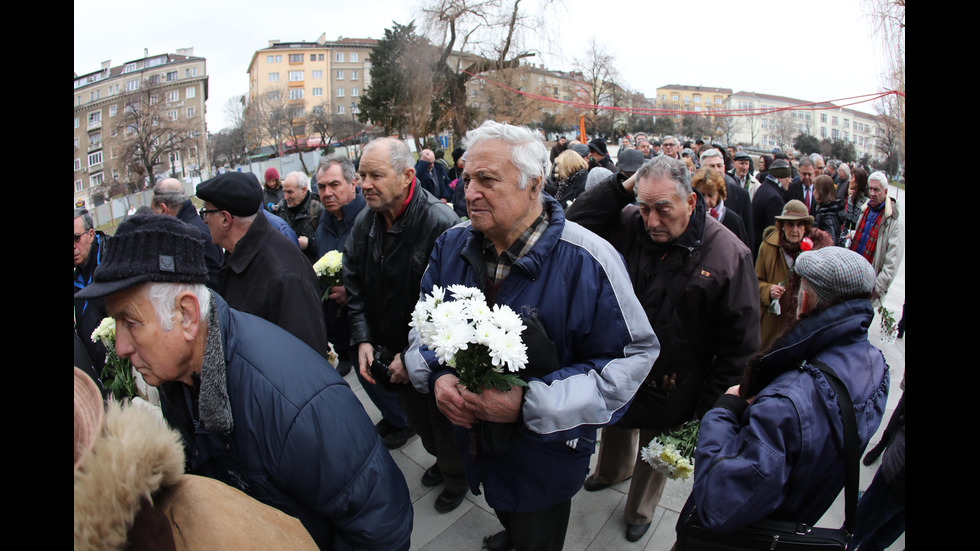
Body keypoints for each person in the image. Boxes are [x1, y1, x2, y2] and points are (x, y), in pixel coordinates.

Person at [73, 214, 413, 550]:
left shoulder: (292, 403)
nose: (119, 346)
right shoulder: (178, 378)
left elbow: (381, 525)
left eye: (129, 322)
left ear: (187, 315)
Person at [407, 121, 658, 551]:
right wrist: (435, 377)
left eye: (487, 180)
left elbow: (632, 359)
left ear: (534, 184)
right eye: (467, 178)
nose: (469, 193)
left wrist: (528, 404)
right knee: (509, 513)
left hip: (546, 457)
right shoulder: (450, 245)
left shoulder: (591, 260)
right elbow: (421, 329)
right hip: (474, 444)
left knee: (537, 534)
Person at [566, 155, 759, 543]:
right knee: (617, 425)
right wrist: (624, 184)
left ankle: (640, 508)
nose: (652, 221)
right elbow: (573, 222)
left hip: (676, 379)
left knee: (657, 448)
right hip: (621, 364)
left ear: (690, 201)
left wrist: (707, 412)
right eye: (644, 207)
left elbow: (739, 347)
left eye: (663, 209)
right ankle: (610, 471)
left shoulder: (728, 255)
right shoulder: (629, 223)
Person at [680, 246, 888, 535]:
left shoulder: (787, 402)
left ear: (803, 300)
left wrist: (724, 411)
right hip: (797, 519)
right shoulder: (877, 365)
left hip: (746, 535)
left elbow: (717, 503)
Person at [345, 138, 468, 512]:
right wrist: (364, 338)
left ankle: (458, 478)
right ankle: (443, 463)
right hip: (390, 356)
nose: (364, 183)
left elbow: (452, 306)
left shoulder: (439, 222)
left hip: (431, 360)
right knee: (423, 426)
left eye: (376, 175)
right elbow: (353, 281)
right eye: (362, 174)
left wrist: (413, 355)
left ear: (407, 176)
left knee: (444, 427)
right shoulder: (366, 219)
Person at [197, 172, 329, 358]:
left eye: (206, 213)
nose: (204, 221)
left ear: (225, 219)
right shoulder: (237, 256)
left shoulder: (283, 273)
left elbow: (305, 357)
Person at [756, 200, 834, 350]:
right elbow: (754, 282)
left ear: (806, 228)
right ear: (782, 226)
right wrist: (768, 290)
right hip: (772, 326)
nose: (794, 230)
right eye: (790, 224)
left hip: (800, 328)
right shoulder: (768, 247)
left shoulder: (814, 252)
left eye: (799, 225)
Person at [314, 154, 366, 372]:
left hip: (370, 335)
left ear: (353, 183)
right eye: (322, 186)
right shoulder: (323, 224)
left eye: (334, 185)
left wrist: (353, 292)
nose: (327, 193)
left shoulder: (369, 219)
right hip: (341, 337)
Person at [151, 178, 224, 289]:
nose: (152, 216)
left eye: (153, 210)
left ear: (163, 209)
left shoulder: (193, 237)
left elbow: (213, 287)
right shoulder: (189, 230)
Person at [849, 172, 904, 302]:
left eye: (876, 190)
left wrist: (877, 289)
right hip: (853, 279)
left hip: (870, 287)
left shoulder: (893, 221)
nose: (872, 193)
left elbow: (893, 261)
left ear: (885, 192)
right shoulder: (866, 210)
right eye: (870, 189)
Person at [74, 207, 110, 368]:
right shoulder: (76, 275)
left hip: (125, 369)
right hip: (96, 372)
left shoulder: (111, 260)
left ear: (90, 235)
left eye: (76, 238)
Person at [691, 167, 748, 247]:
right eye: (702, 194)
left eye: (711, 195)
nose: (706, 201)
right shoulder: (688, 216)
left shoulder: (733, 220)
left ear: (719, 194)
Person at [278, 171, 324, 264]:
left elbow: (327, 243)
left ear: (303, 190)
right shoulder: (281, 208)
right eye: (284, 192)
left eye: (290, 192)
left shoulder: (318, 209)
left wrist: (309, 244)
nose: (286, 197)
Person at [751, 159, 792, 256]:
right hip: (764, 253)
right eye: (788, 177)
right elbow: (773, 234)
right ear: (780, 177)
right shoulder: (775, 199)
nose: (790, 181)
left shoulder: (764, 188)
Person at [841, 167, 870, 245]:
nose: (850, 180)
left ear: (857, 182)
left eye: (852, 178)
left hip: (857, 241)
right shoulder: (851, 197)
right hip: (845, 239)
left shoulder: (866, 203)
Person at [812, 174, 845, 240]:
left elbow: (830, 239)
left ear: (821, 191)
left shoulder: (826, 214)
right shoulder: (830, 209)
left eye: (815, 189)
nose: (813, 193)